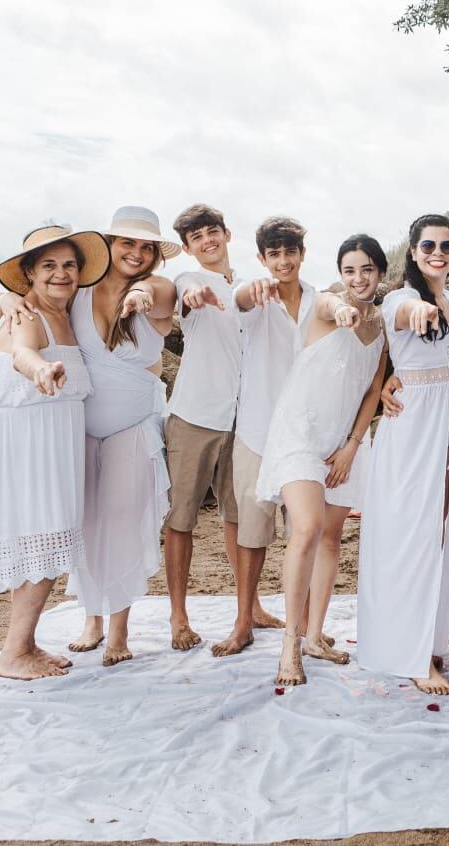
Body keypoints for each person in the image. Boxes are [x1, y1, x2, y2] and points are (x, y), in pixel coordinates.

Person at [0, 224, 109, 680]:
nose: (61, 273)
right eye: (48, 265)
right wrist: (40, 370)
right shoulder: (27, 316)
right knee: (42, 535)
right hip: (25, 440)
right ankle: (13, 653)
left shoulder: (66, 313)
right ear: (29, 272)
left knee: (43, 541)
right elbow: (22, 354)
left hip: (49, 436)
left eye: (69, 265)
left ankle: (25, 644)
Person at [257, 235, 389, 686]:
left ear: (380, 273)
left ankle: (315, 636)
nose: (359, 278)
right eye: (350, 269)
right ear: (340, 272)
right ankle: (289, 645)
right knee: (307, 529)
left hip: (343, 441)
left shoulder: (384, 324)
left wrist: (353, 444)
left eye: (367, 269)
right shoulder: (326, 304)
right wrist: (345, 310)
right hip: (299, 430)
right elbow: (336, 309)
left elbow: (374, 389)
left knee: (332, 536)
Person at [357, 215, 449, 695]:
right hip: (414, 427)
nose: (437, 252)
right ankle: (411, 654)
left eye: (446, 245)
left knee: (442, 534)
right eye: (428, 245)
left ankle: (427, 639)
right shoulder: (404, 298)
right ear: (413, 249)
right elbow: (402, 317)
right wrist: (419, 315)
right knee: (412, 534)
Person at [163, 204, 280, 657]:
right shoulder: (187, 282)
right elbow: (187, 291)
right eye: (197, 238)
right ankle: (178, 617)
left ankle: (250, 608)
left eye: (213, 232)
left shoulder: (251, 281)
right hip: (194, 415)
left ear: (227, 234)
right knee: (181, 518)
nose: (208, 241)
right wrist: (193, 295)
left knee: (240, 515)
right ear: (189, 248)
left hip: (244, 417)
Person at [68, 207, 179, 665]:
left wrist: (139, 295)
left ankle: (118, 629)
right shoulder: (78, 291)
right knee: (84, 521)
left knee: (121, 521)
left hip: (132, 426)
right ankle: (91, 616)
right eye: (127, 243)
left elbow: (160, 291)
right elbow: (29, 298)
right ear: (109, 245)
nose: (136, 253)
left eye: (146, 247)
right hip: (77, 425)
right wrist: (7, 302)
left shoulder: (158, 291)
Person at [228, 217, 318, 651]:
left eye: (290, 251)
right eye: (274, 254)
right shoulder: (255, 297)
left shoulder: (321, 301)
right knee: (252, 535)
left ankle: (301, 626)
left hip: (304, 437)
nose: (283, 261)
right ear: (263, 259)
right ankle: (243, 622)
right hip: (257, 431)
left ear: (302, 253)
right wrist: (253, 290)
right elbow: (240, 298)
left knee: (305, 534)